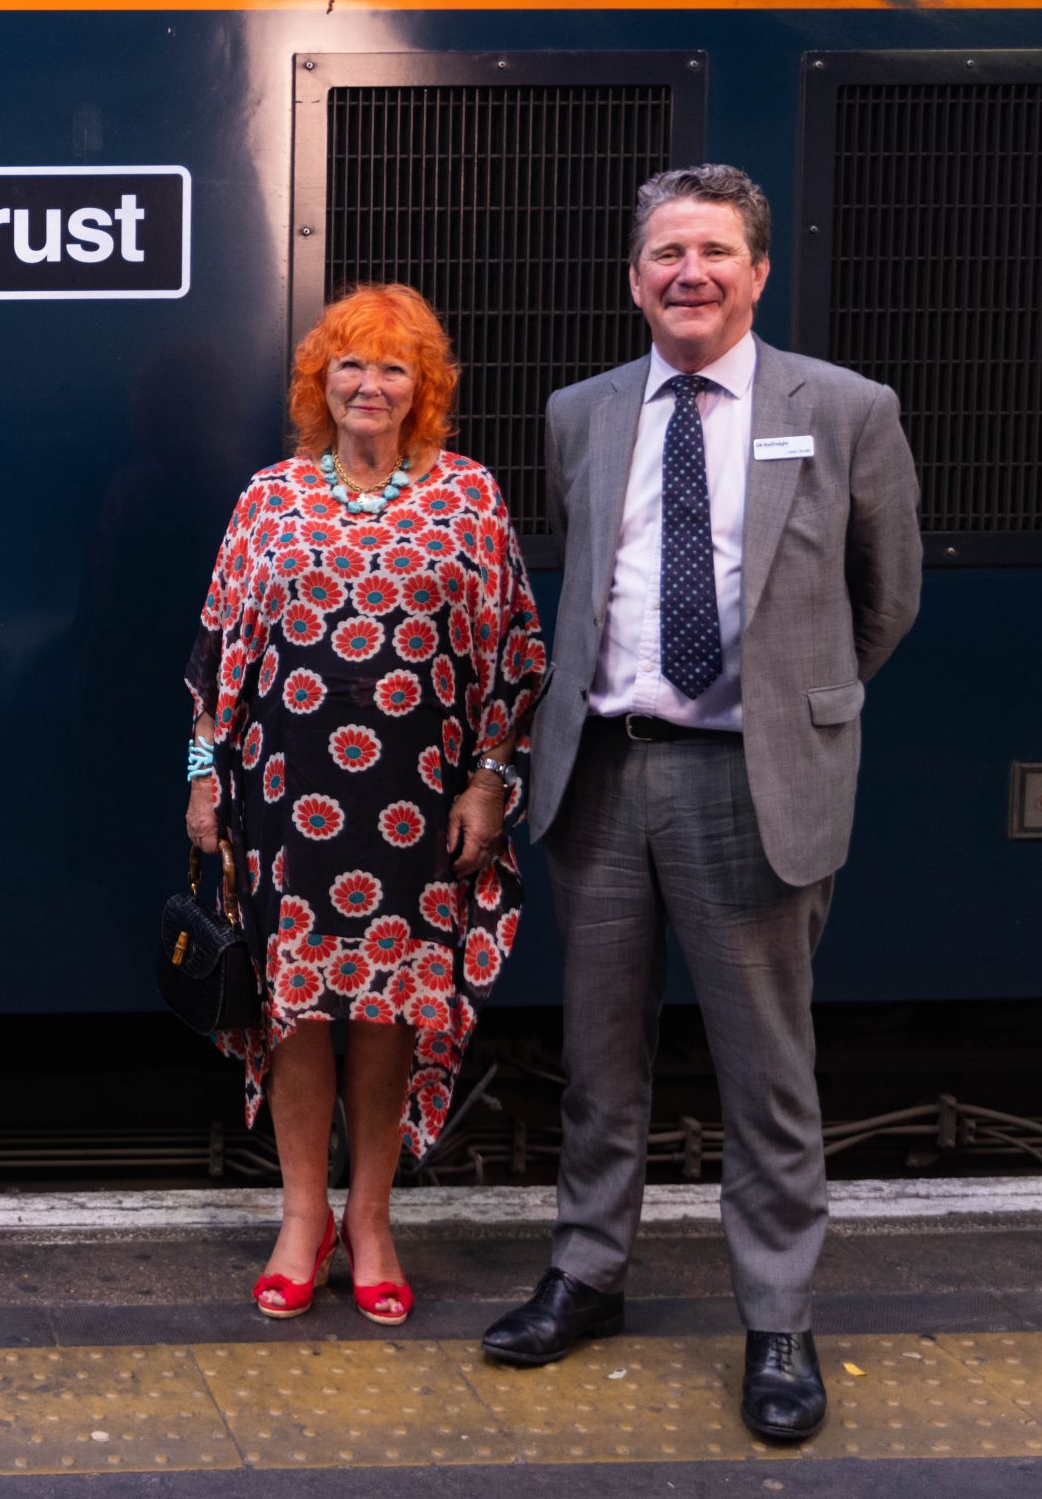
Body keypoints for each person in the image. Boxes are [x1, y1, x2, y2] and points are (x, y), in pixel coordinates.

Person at [480, 165, 921, 1445]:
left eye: (716, 251)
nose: (690, 273)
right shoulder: (581, 412)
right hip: (602, 775)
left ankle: (776, 1317)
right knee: (598, 1059)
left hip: (750, 778)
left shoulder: (842, 409)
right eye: (667, 252)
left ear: (758, 271)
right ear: (634, 279)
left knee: (766, 1073)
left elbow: (881, 601)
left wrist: (791, 706)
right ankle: (587, 1271)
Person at [185, 284, 544, 1325]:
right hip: (285, 794)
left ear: (421, 388)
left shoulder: (467, 495)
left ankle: (373, 1219)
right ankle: (303, 1218)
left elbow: (513, 649)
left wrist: (491, 779)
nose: (369, 385)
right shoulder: (269, 498)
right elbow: (215, 650)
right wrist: (202, 779)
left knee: (387, 1007)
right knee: (293, 1005)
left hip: (413, 801)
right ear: (320, 382)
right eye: (350, 364)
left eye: (392, 367)